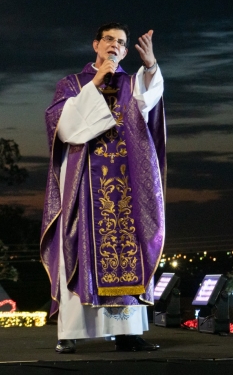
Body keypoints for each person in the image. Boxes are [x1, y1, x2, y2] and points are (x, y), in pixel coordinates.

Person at [40, 23, 166, 354]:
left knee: (129, 248)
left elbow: (148, 102)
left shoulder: (130, 83)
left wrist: (151, 67)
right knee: (77, 244)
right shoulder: (71, 84)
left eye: (121, 43)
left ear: (126, 52)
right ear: (96, 44)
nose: (114, 45)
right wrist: (95, 84)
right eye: (108, 39)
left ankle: (127, 334)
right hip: (83, 184)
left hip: (126, 185)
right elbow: (63, 127)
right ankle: (70, 333)